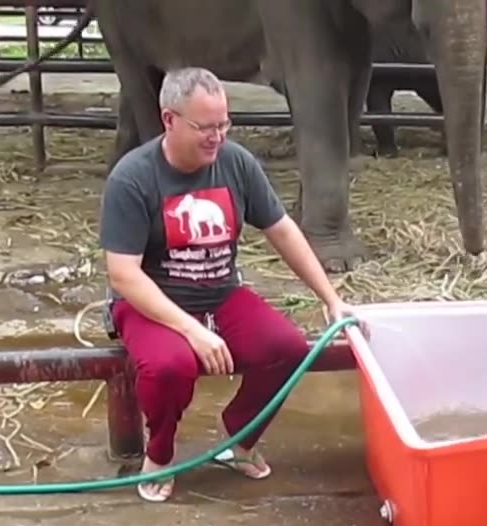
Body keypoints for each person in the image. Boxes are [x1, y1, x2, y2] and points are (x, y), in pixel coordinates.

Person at [97, 66, 361, 503]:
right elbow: (124, 273)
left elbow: (282, 231)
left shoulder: (236, 163)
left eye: (224, 124)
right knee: (169, 366)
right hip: (149, 302)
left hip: (219, 291)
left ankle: (240, 438)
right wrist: (191, 329)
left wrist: (331, 299)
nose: (217, 136)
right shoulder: (133, 177)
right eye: (205, 126)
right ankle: (160, 455)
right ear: (169, 120)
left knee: (288, 349)